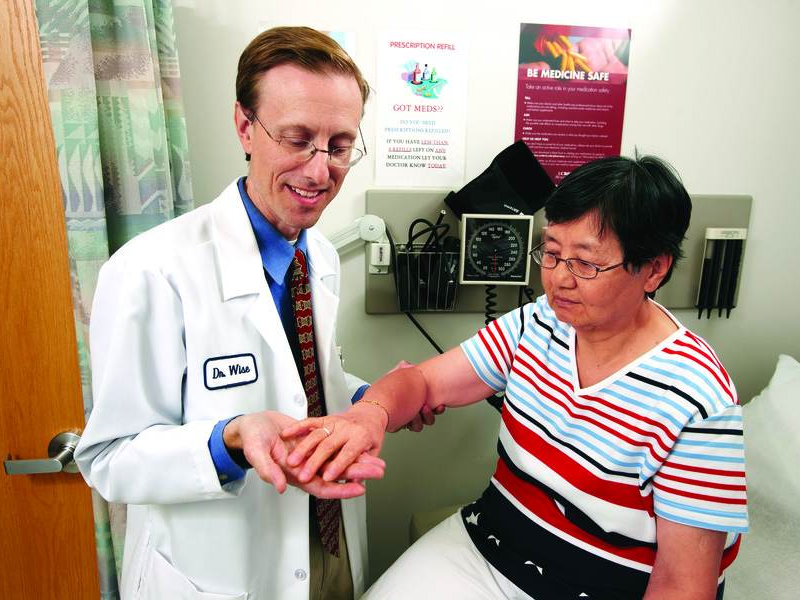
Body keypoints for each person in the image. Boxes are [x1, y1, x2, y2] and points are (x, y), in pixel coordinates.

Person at [285, 154, 749, 600]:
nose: (558, 279)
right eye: (550, 252)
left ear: (654, 268)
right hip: (490, 546)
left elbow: (683, 586)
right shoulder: (541, 322)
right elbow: (424, 382)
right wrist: (369, 415)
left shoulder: (697, 397)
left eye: (585, 263)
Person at [75, 26, 392, 600]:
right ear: (246, 127)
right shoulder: (152, 270)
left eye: (340, 145)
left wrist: (370, 397)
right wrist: (231, 441)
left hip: (328, 542)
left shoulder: (317, 255)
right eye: (298, 139)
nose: (321, 172)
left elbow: (297, 382)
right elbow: (110, 458)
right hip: (220, 570)